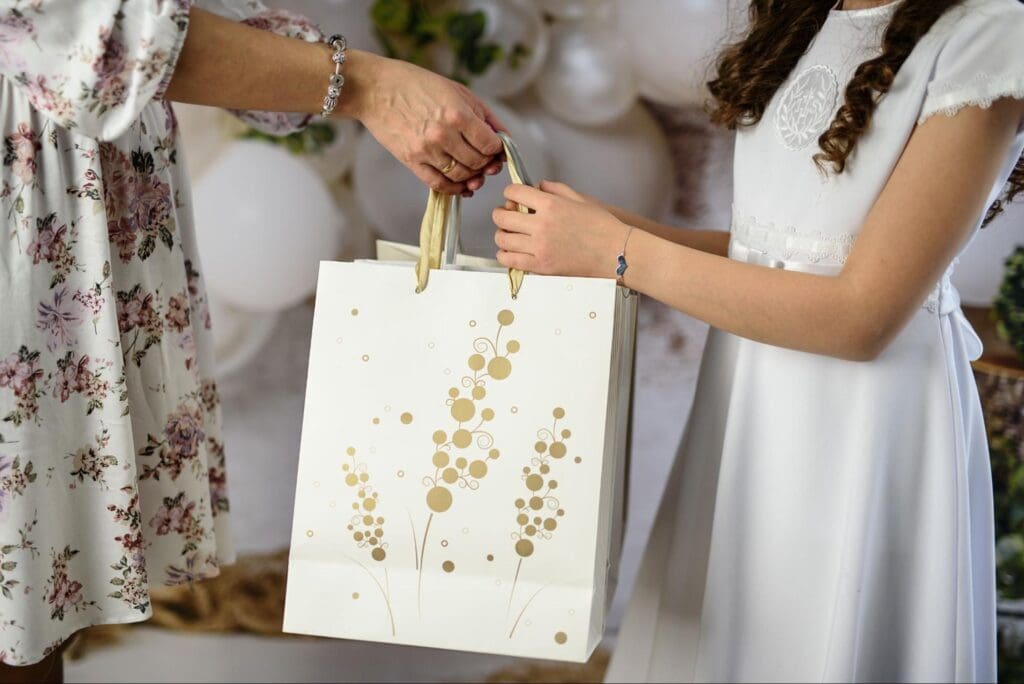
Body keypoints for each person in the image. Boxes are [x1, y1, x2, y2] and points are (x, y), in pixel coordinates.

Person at [491, 0, 1024, 681]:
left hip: (860, 423)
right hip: (747, 401)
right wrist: (602, 230)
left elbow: (862, 315)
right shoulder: (805, 13)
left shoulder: (989, 31)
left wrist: (619, 252)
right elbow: (776, 251)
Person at [0, 1, 504, 681]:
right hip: (32, 195)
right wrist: (367, 86)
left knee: (32, 597)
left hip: (66, 197)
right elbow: (90, 27)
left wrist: (363, 85)